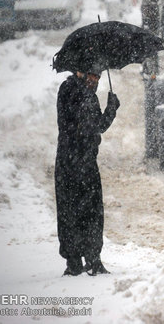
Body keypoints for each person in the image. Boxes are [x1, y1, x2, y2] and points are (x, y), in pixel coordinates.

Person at [54, 64, 120, 276]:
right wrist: (110, 110)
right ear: (80, 71)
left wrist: (110, 109)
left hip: (69, 161)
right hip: (79, 162)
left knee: (70, 211)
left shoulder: (71, 90)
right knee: (89, 212)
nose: (96, 80)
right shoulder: (78, 93)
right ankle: (89, 261)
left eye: (99, 76)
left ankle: (76, 262)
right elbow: (93, 127)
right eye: (93, 75)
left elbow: (93, 125)